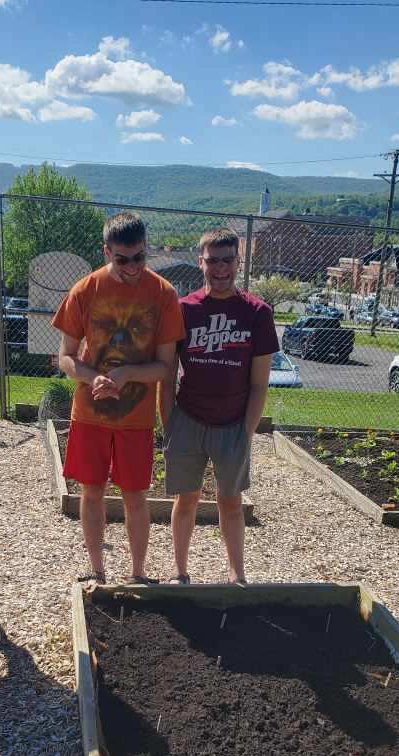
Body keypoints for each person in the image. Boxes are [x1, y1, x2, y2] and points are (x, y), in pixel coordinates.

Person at [55, 211, 183, 585]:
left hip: (136, 418)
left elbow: (164, 366)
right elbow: (65, 356)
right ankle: (97, 571)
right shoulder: (85, 290)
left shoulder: (163, 294)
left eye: (139, 257)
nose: (131, 267)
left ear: (148, 250)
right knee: (91, 492)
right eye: (121, 259)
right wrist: (93, 377)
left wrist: (126, 375)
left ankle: (139, 573)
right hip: (90, 414)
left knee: (135, 496)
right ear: (106, 251)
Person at [160, 227, 278, 585]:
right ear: (201, 262)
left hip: (233, 424)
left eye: (228, 260)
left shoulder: (257, 313)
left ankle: (236, 574)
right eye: (213, 261)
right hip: (188, 419)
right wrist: (170, 425)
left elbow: (259, 384)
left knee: (231, 501)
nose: (221, 268)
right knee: (187, 498)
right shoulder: (183, 309)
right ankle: (180, 572)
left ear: (238, 263)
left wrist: (246, 430)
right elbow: (166, 377)